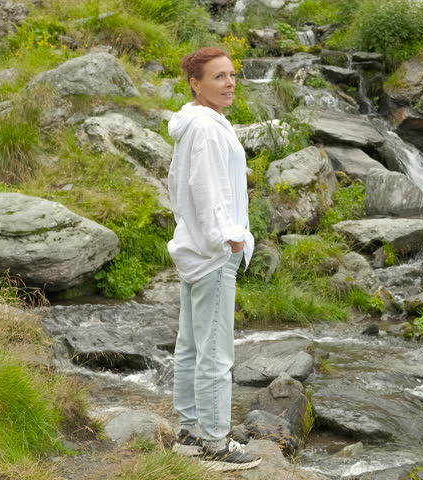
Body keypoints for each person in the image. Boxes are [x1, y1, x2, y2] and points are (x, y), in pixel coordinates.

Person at [166, 47, 260, 472]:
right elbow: (204, 190)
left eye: (232, 74)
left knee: (190, 347)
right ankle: (215, 443)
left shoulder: (198, 124)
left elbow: (181, 187)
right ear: (195, 83)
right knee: (215, 353)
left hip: (194, 249)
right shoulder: (204, 128)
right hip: (212, 253)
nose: (229, 82)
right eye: (218, 76)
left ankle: (189, 432)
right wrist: (229, 239)